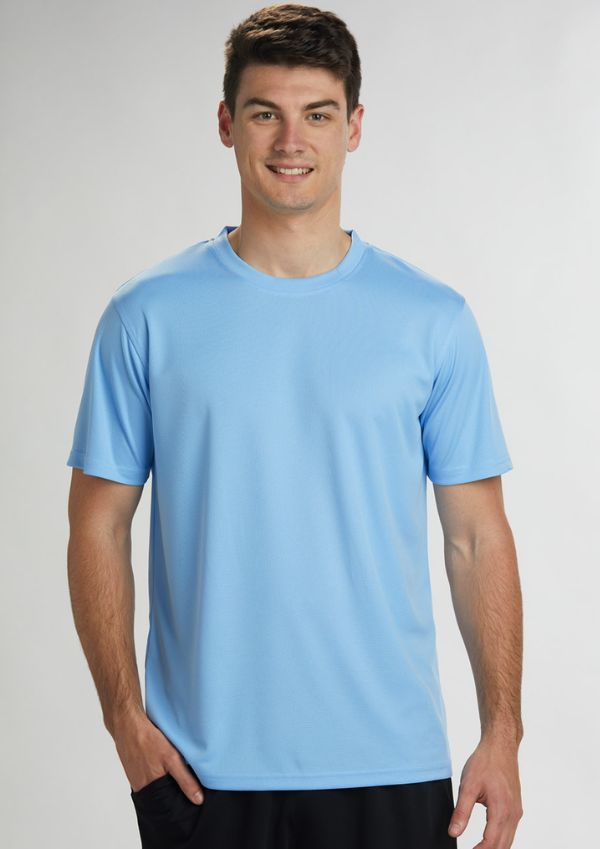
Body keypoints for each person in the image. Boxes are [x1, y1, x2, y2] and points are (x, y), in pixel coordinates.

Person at [65, 4, 524, 848]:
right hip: (201, 772)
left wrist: (503, 730)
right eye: (264, 113)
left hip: (390, 762)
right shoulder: (146, 315)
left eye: (316, 114)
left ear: (354, 127)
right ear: (225, 123)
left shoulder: (432, 318)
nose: (290, 141)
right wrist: (124, 720)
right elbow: (97, 523)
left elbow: (476, 537)